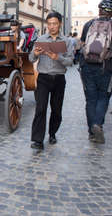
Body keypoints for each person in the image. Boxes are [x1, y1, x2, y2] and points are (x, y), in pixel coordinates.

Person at [79, 0, 112, 144]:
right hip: (106, 67)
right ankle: (97, 124)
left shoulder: (88, 24)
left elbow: (82, 45)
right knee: (103, 96)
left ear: (99, 10)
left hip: (87, 67)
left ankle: (92, 132)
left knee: (90, 99)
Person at [28, 12, 73, 150]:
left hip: (59, 79)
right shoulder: (41, 39)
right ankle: (37, 140)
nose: (52, 26)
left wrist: (57, 57)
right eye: (49, 24)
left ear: (59, 24)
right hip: (43, 78)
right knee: (40, 109)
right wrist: (35, 54)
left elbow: (70, 61)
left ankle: (52, 133)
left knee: (56, 110)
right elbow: (31, 59)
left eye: (54, 23)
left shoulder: (66, 41)